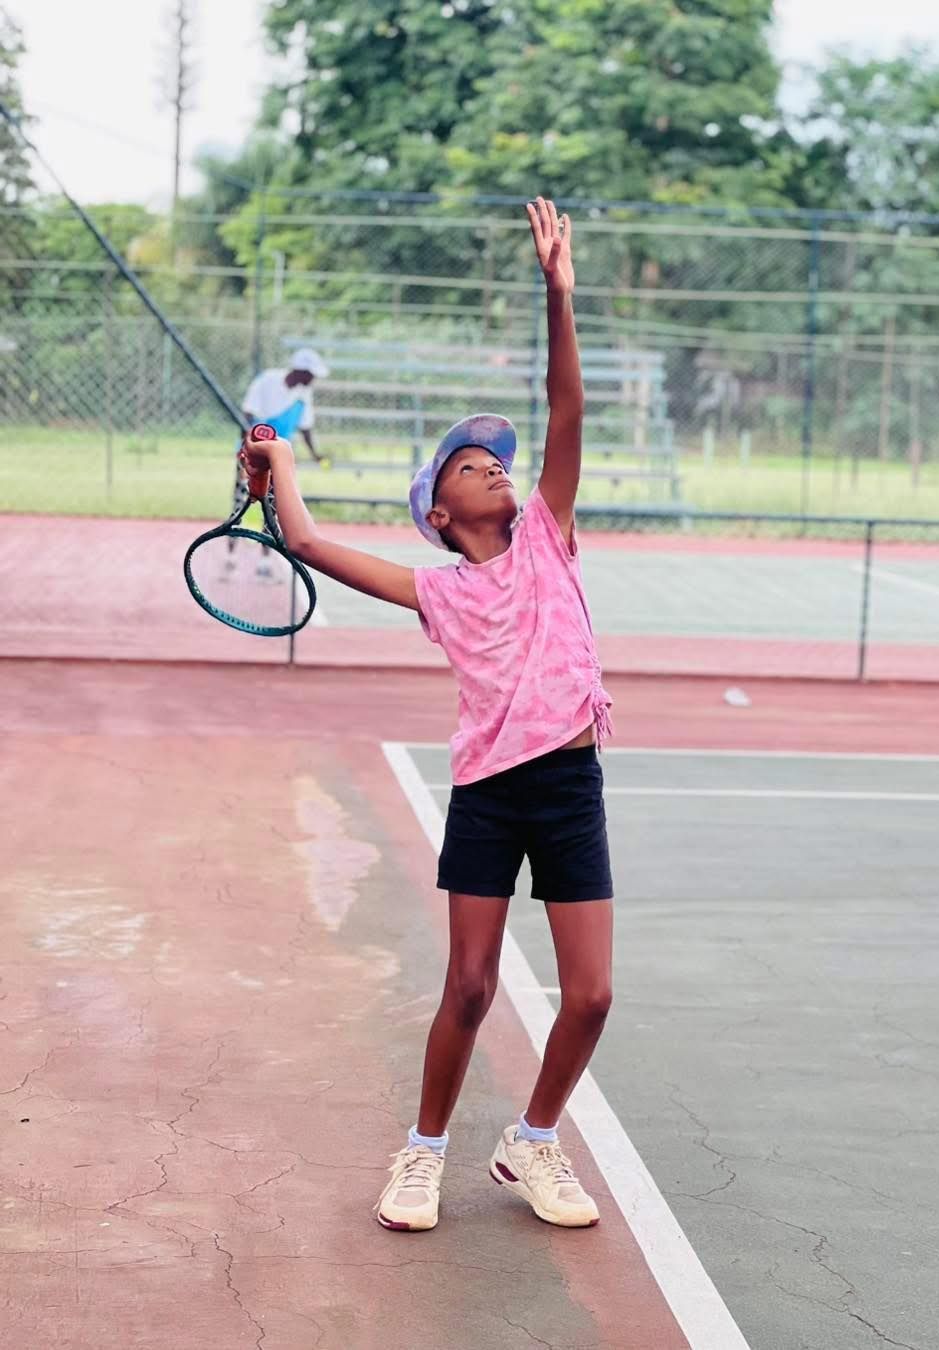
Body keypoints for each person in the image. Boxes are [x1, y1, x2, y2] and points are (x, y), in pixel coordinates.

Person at [240, 198, 614, 1232]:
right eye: (466, 462)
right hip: (490, 792)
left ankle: (531, 1141)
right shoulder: (437, 588)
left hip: (571, 780)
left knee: (591, 998)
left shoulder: (549, 533)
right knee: (471, 986)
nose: (493, 461)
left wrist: (559, 291)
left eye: (496, 455)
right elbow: (310, 543)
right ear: (441, 515)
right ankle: (424, 1151)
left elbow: (565, 404)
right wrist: (276, 466)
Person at [225, 347, 330, 579]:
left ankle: (264, 559)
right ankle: (231, 556)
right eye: (311, 374)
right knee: (240, 501)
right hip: (252, 454)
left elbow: (306, 427)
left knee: (272, 507)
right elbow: (248, 414)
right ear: (301, 371)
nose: (313, 379)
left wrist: (316, 455)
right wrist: (254, 445)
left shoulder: (304, 395)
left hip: (280, 459)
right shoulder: (267, 381)